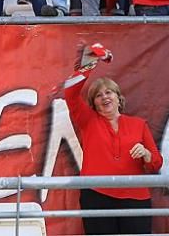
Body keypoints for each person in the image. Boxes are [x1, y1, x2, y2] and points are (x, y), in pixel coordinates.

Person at [64, 52, 162, 236]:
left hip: (136, 198)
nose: (104, 97)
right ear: (94, 104)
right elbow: (70, 92)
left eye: (108, 92)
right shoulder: (89, 120)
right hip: (97, 195)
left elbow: (156, 163)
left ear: (118, 97)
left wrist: (146, 154)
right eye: (98, 96)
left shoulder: (138, 124)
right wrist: (90, 63)